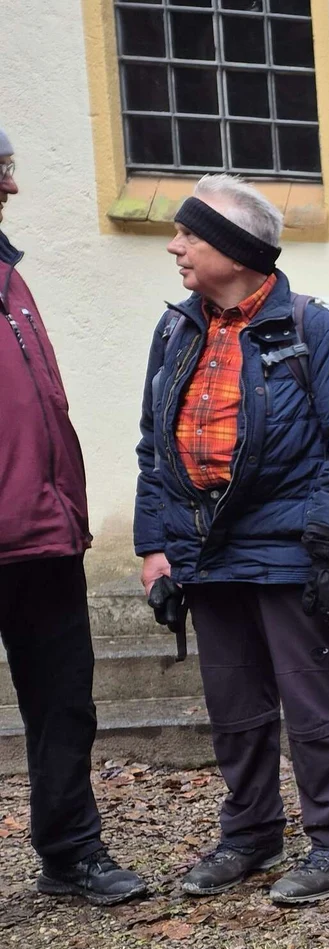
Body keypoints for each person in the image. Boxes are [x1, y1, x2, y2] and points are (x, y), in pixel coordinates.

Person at [132, 173, 329, 905]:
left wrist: (328, 548)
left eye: (192, 235)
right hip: (206, 552)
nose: (175, 245)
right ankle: (250, 833)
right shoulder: (176, 328)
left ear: (236, 251)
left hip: (289, 552)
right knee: (233, 707)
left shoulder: (313, 330)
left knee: (316, 705)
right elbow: (154, 445)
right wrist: (155, 546)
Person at [0, 126, 148, 906]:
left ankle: (71, 851)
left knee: (64, 703)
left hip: (44, 536)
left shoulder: (10, 279)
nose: (13, 187)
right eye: (2, 171)